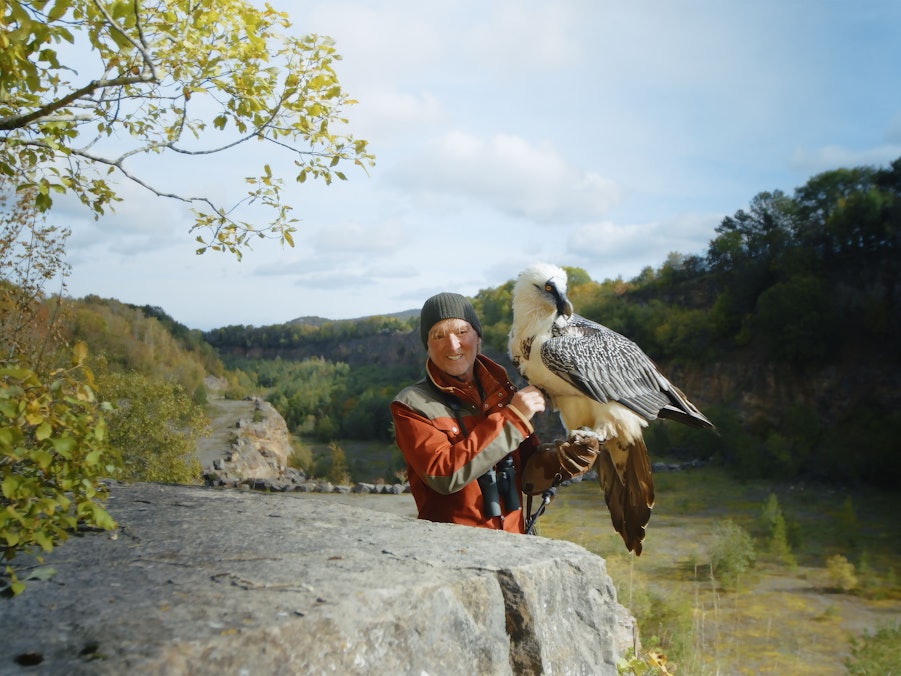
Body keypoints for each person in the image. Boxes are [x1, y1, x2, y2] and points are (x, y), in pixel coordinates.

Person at [390, 292, 598, 533]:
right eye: (438, 335)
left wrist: (561, 460)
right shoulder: (410, 405)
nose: (453, 344)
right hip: (454, 551)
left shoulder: (502, 392)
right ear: (427, 346)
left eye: (461, 332)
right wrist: (513, 419)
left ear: (478, 337)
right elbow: (443, 475)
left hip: (514, 542)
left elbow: (529, 471)